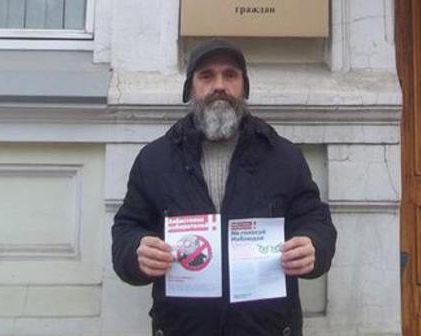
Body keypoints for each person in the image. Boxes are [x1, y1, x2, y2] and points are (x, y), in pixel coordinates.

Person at [111, 39, 337, 336]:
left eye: (230, 75)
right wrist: (135, 251)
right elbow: (127, 227)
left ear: (244, 86)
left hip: (266, 329)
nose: (220, 85)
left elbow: (316, 220)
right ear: (190, 88)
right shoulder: (155, 159)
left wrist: (313, 245)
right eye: (206, 76)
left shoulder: (283, 157)